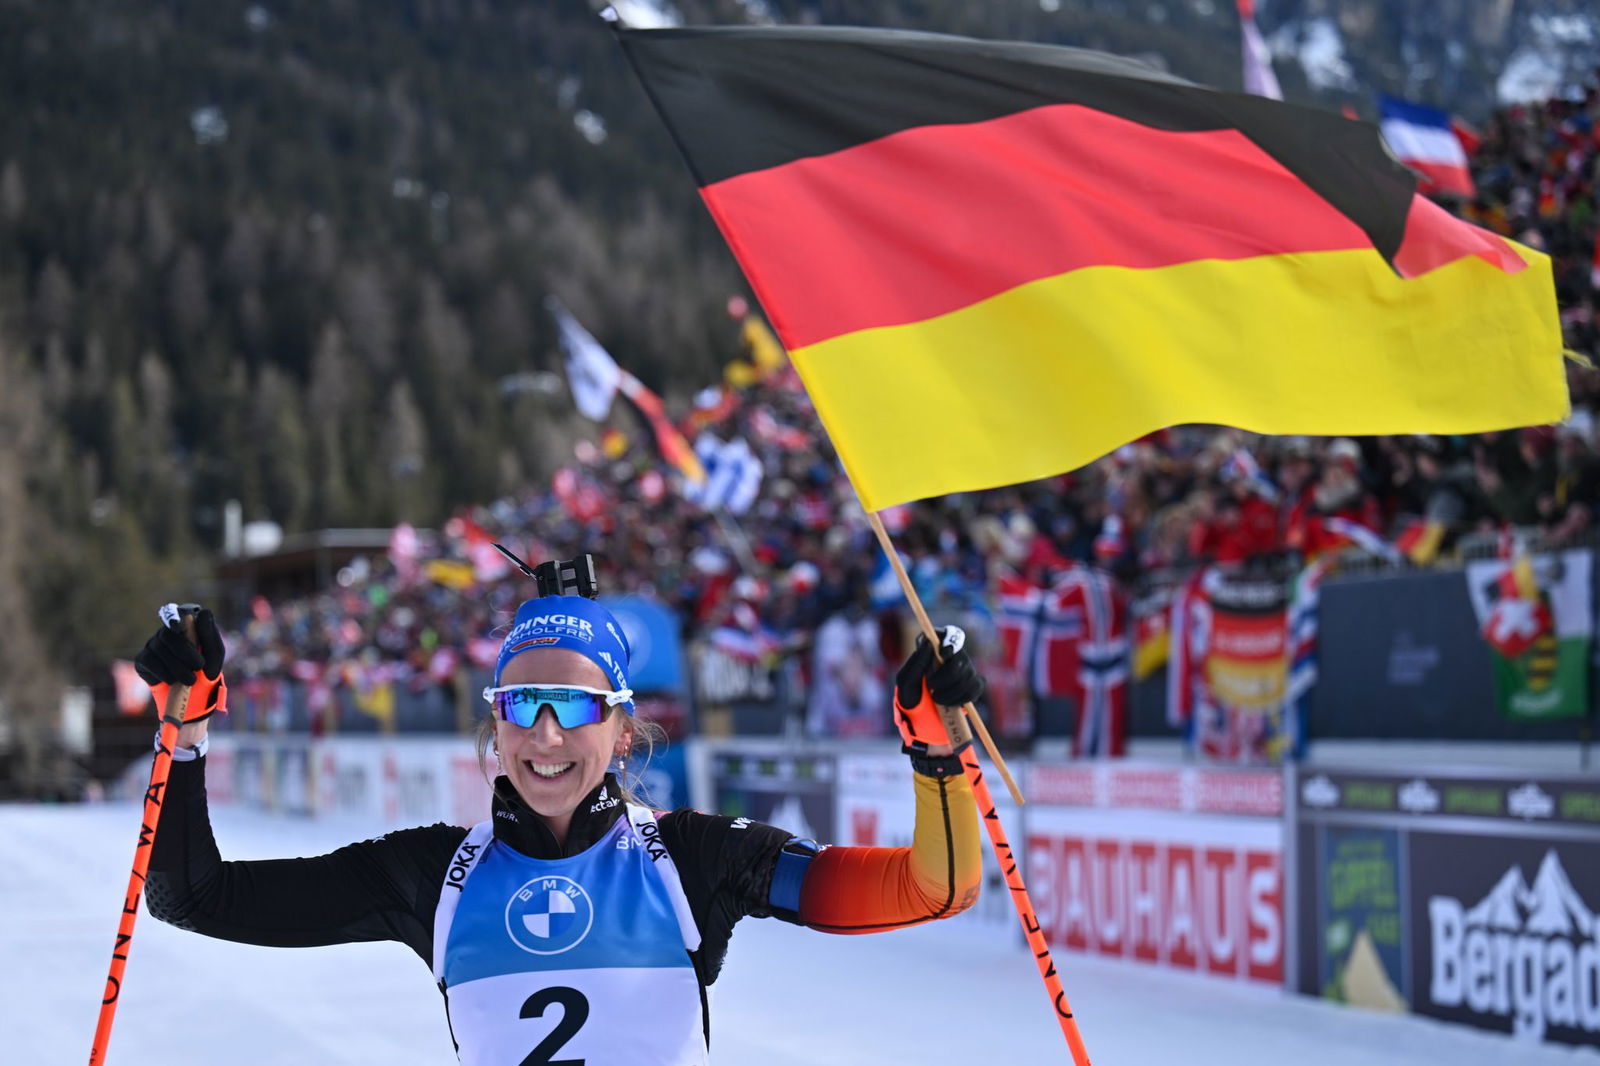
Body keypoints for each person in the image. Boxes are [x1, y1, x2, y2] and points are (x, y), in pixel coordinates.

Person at [137, 593, 983, 1065]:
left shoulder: (690, 861)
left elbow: (933, 889)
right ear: (494, 728)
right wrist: (187, 728)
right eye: (521, 707)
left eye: (574, 707)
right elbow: (193, 896)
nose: (545, 735)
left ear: (622, 729)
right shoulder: (433, 875)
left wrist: (936, 759)